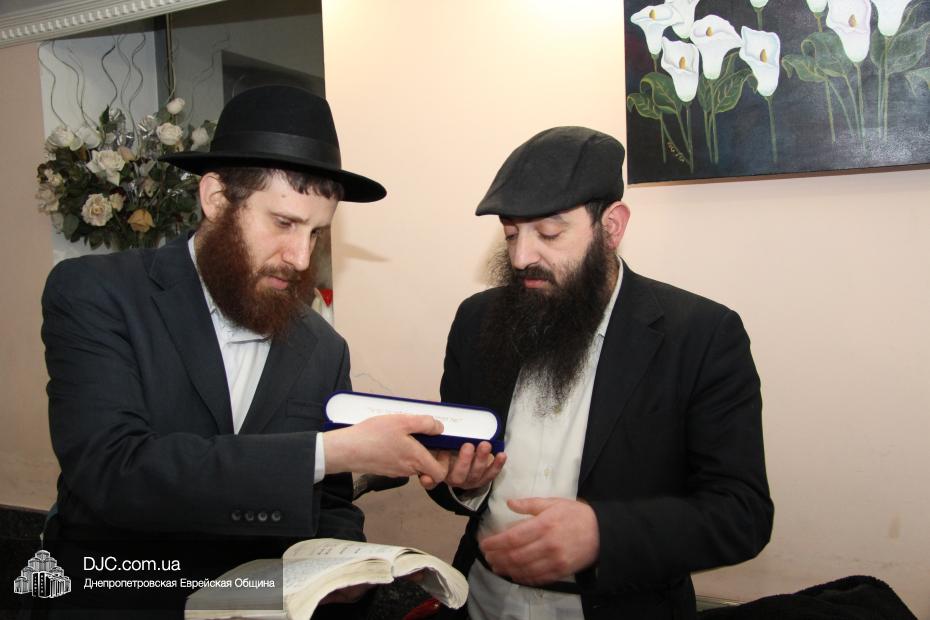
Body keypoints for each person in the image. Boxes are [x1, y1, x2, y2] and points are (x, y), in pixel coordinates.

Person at [39, 85, 446, 616]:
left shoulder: (322, 347)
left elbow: (331, 503)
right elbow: (113, 471)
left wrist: (344, 571)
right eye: (284, 223)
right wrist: (329, 452)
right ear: (215, 199)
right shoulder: (98, 294)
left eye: (316, 233)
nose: (301, 258)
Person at [427, 126, 774, 619]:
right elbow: (453, 474)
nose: (522, 257)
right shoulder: (476, 320)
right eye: (511, 234)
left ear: (611, 226)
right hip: (481, 600)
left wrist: (602, 533)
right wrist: (464, 483)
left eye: (549, 234)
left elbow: (742, 514)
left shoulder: (702, 335)